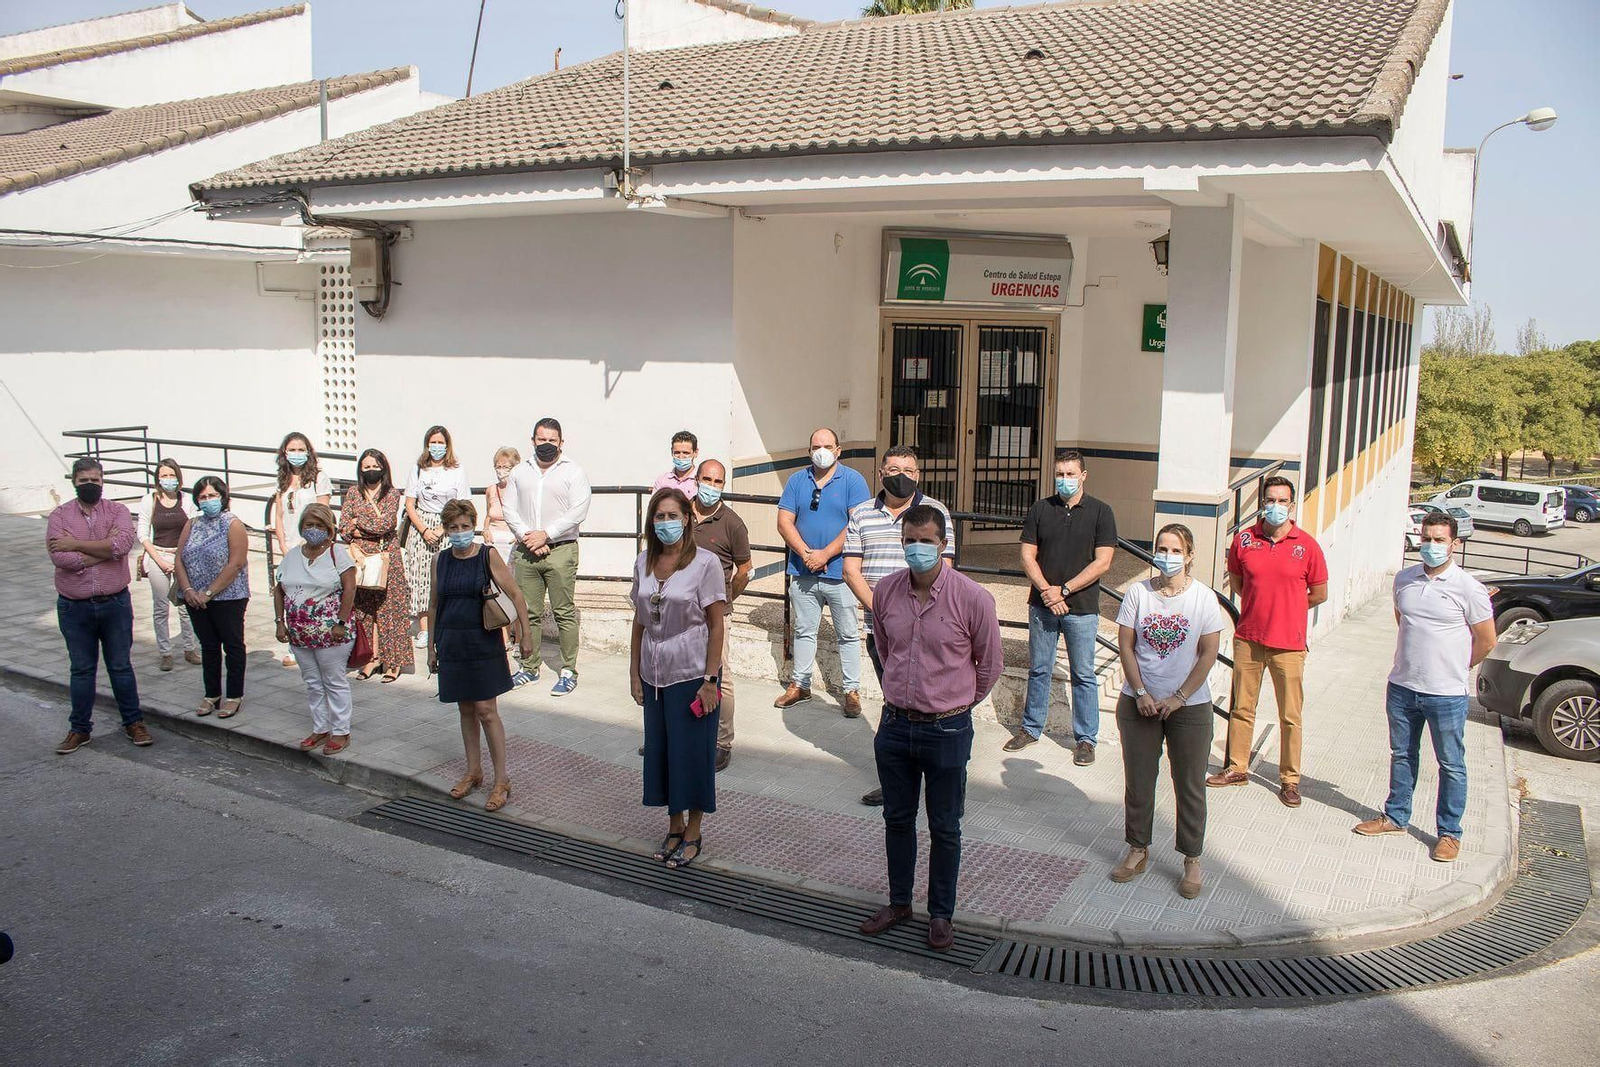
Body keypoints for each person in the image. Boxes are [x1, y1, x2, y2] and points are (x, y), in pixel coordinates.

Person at [857, 505, 1001, 952]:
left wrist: (953, 703)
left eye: (925, 541)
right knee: (897, 819)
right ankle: (900, 902)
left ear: (943, 544)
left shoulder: (972, 598)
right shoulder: (885, 592)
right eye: (909, 540)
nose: (916, 548)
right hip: (896, 726)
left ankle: (941, 914)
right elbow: (884, 649)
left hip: (947, 730)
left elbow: (990, 665)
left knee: (945, 826)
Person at [1354, 513, 1495, 862]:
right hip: (1402, 686)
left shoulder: (1469, 589)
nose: (1431, 546)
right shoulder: (1404, 580)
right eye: (1426, 538)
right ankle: (1396, 816)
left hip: (1445, 693)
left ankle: (1449, 833)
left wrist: (1459, 665)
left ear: (1455, 544)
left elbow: (1487, 640)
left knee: (1450, 763)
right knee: (1402, 754)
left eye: (1439, 540)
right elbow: (1403, 621)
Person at [1111, 524, 1225, 899]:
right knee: (1139, 781)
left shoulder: (1204, 599)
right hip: (1138, 703)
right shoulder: (1138, 594)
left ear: (1190, 555)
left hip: (1189, 707)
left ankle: (1191, 858)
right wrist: (1140, 691)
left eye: (1176, 550)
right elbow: (1126, 645)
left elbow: (1208, 653)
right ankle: (1137, 849)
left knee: (1189, 784)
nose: (1167, 556)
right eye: (1161, 548)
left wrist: (1179, 696)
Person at [1207, 475, 1329, 807]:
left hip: (1288, 644)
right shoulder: (1245, 540)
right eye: (1270, 500)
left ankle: (1290, 780)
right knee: (1242, 708)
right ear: (1262, 502)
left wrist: (1287, 607)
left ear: (1292, 505)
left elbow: (1318, 593)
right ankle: (1237, 767)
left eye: (1282, 500)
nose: (1275, 506)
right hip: (1249, 638)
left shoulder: (1307, 545)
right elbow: (1237, 580)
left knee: (1290, 715)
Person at [842, 446, 952, 806]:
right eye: (893, 468)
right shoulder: (859, 515)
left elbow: (946, 571)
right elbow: (851, 572)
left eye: (908, 468)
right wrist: (886, 613)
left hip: (930, 630)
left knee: (928, 701)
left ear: (918, 474)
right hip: (881, 631)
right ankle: (897, 782)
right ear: (880, 474)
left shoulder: (936, 513)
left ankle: (934, 775)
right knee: (896, 703)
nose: (900, 474)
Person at [629, 488, 727, 871]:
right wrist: (634, 671)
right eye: (659, 516)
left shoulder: (705, 564)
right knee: (662, 751)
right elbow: (639, 619)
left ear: (687, 518)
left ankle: (694, 831)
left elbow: (717, 624)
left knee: (694, 753)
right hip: (654, 673)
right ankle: (674, 824)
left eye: (673, 515)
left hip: (692, 672)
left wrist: (710, 679)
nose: (666, 523)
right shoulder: (643, 562)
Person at [1012, 449, 1117, 765]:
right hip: (1042, 606)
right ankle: (1030, 728)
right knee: (1039, 668)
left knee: (1083, 673)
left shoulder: (1101, 512)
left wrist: (1065, 591)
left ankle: (1085, 740)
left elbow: (1103, 562)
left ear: (1083, 475)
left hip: (1081, 608)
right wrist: (1047, 591)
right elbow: (1028, 555)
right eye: (1060, 474)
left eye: (1071, 474)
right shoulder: (1041, 509)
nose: (1065, 480)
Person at [430, 500, 533, 814]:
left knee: (487, 710)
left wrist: (526, 633)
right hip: (452, 641)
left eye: (464, 526)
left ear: (472, 525)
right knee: (465, 709)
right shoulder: (440, 560)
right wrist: (433, 646)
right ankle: (473, 771)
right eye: (453, 528)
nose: (459, 533)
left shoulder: (487, 555)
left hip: (482, 640)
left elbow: (515, 593)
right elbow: (434, 604)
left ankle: (502, 779)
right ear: (446, 530)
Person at [47, 458, 149, 753]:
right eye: (84, 481)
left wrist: (75, 544)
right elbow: (60, 558)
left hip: (114, 603)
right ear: (74, 482)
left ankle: (133, 722)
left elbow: (122, 546)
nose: (90, 485)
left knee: (120, 666)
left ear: (103, 481)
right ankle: (79, 729)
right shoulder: (60, 516)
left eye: (95, 479)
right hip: (74, 607)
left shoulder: (116, 511)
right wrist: (104, 550)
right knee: (81, 669)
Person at [774, 427, 872, 713]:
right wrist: (806, 554)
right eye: (817, 446)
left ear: (838, 450)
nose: (822, 451)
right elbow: (784, 522)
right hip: (803, 572)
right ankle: (800, 685)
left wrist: (826, 554)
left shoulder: (853, 481)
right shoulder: (796, 481)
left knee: (847, 633)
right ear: (809, 451)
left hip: (842, 573)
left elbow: (856, 525)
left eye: (828, 446)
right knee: (804, 630)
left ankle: (851, 691)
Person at [502, 417, 591, 695]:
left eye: (553, 440)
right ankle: (529, 667)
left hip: (561, 549)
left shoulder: (573, 471)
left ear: (561, 442)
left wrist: (547, 534)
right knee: (529, 611)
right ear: (533, 441)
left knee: (564, 611)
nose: (547, 445)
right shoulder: (520, 472)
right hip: (527, 550)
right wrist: (530, 535)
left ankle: (568, 670)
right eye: (542, 439)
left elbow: (579, 509)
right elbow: (509, 508)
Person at [273, 504, 358, 755]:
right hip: (299, 633)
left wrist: (341, 623)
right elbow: (279, 588)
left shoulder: (337, 554)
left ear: (329, 529)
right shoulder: (291, 556)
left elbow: (350, 588)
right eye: (309, 524)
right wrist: (279, 621)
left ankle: (341, 731)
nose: (314, 530)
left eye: (320, 525)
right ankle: (320, 727)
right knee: (312, 682)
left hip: (332, 633)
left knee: (333, 680)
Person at [689, 460, 750, 771]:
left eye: (717, 481)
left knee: (719, 677)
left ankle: (722, 743)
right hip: (680, 612)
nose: (711, 486)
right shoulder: (681, 514)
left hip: (716, 615)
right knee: (679, 674)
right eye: (706, 479)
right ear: (696, 479)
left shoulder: (732, 524)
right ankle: (676, 734)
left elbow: (744, 570)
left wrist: (725, 600)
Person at [174, 475, 250, 718]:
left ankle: (234, 695)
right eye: (203, 497)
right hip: (195, 598)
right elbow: (179, 558)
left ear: (223, 496)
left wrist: (208, 593)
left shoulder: (232, 523)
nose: (208, 501)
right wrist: (187, 591)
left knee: (233, 645)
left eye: (212, 496)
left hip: (228, 597)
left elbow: (235, 563)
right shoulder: (192, 523)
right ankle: (212, 693)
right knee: (208, 646)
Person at [340, 449, 413, 682]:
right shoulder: (353, 492)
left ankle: (393, 661)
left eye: (375, 466)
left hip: (386, 555)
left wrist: (357, 522)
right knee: (363, 609)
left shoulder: (391, 493)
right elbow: (342, 525)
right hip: (360, 555)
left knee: (390, 609)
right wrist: (352, 528)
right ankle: (370, 657)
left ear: (383, 467)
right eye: (366, 467)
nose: (371, 470)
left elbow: (386, 523)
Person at [404, 425, 471, 653]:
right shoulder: (418, 469)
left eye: (441, 443)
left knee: (447, 575)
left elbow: (463, 503)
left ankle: (446, 625)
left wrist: (445, 528)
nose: (437, 447)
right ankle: (424, 628)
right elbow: (410, 504)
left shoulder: (456, 469)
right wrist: (424, 529)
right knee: (422, 577)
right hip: (422, 526)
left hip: (447, 524)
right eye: (433, 442)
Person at [270, 432, 332, 668]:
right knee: (291, 596)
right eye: (292, 450)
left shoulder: (318, 478)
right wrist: (283, 543)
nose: (297, 454)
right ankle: (295, 644)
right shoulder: (283, 479)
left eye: (300, 449)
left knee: (314, 596)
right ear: (284, 453)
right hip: (289, 547)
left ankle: (318, 638)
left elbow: (323, 512)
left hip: (312, 545)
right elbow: (278, 514)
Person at [136, 457, 198, 672]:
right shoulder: (149, 500)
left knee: (186, 604)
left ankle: (190, 648)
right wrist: (159, 560)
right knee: (161, 606)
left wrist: (181, 558)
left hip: (181, 556)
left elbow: (193, 528)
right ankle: (166, 652)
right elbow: (143, 533)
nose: (168, 480)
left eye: (172, 475)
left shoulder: (187, 500)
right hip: (158, 554)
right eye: (164, 476)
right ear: (157, 479)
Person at [484, 446, 521, 564]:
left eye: (505, 467)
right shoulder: (491, 489)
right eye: (498, 467)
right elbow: (488, 515)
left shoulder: (521, 490)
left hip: (512, 540)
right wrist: (485, 530)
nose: (501, 470)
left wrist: (521, 535)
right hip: (493, 540)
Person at [652, 430, 699, 497]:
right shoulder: (662, 481)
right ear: (672, 452)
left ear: (695, 453)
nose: (681, 457)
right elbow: (654, 506)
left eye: (686, 453)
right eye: (677, 452)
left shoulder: (702, 480)